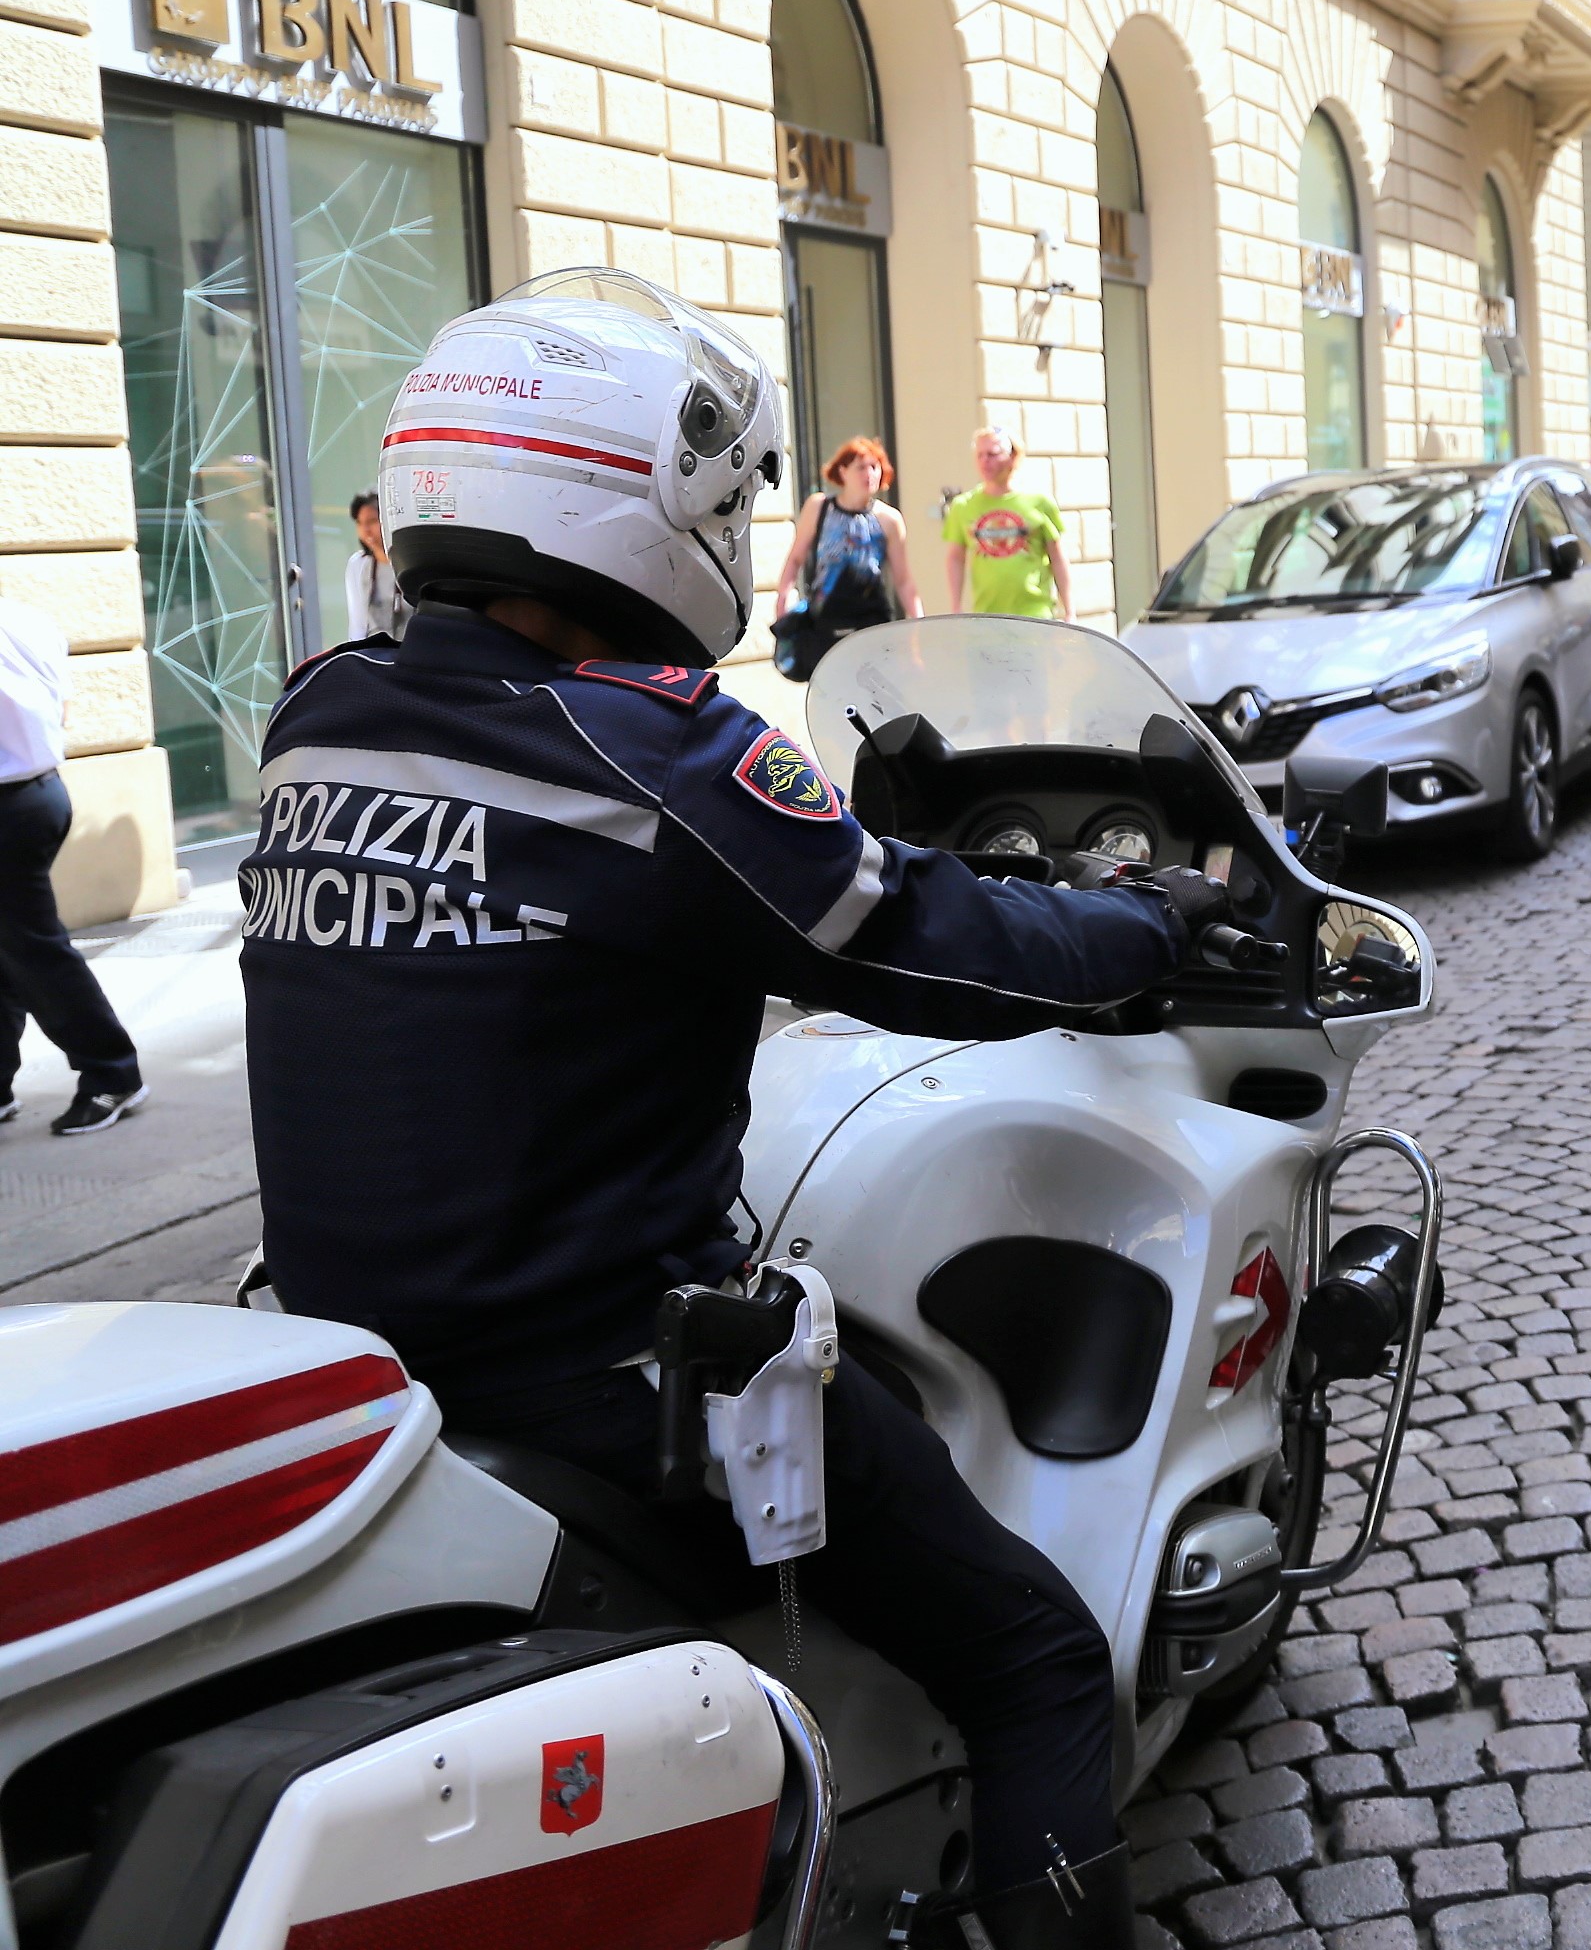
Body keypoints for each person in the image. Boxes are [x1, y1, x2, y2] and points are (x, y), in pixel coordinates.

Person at [242, 270, 1223, 1949]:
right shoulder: (662, 761)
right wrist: (1154, 929)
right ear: (639, 501)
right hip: (605, 1387)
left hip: (357, 1362)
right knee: (1037, 1656)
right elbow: (931, 941)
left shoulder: (316, 718)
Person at [0, 592, 141, 1133]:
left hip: (9, 804)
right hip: (40, 793)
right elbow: (61, 709)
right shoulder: (29, 618)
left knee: (34, 950)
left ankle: (112, 1074)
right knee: (12, 946)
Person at [772, 434, 920, 678]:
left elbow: (904, 581)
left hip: (871, 622)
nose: (870, 474)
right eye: (861, 467)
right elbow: (795, 559)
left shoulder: (889, 519)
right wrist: (782, 600)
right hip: (825, 620)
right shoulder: (818, 507)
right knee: (829, 691)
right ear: (842, 471)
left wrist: (917, 628)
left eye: (875, 467)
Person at [945, 428, 1073, 619]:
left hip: (1036, 616)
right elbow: (955, 557)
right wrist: (956, 606)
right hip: (987, 617)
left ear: (1012, 456)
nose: (984, 461)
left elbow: (1057, 556)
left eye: (992, 454)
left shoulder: (1039, 502)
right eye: (979, 455)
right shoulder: (963, 506)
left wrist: (1069, 611)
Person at [342, 493, 409, 644]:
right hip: (374, 655)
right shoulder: (358, 564)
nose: (365, 529)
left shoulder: (409, 559)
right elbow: (357, 621)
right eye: (359, 523)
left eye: (372, 521)